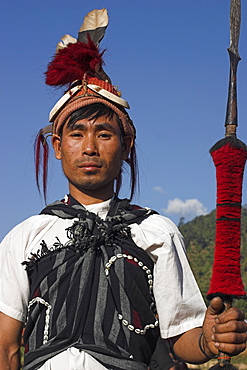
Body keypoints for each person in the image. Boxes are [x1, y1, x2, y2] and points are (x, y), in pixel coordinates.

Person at [0, 9, 246, 370]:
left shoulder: (155, 232)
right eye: (76, 134)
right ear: (57, 146)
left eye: (104, 133)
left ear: (126, 144)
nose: (89, 147)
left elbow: (181, 340)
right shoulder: (26, 238)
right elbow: (6, 349)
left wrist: (209, 339)